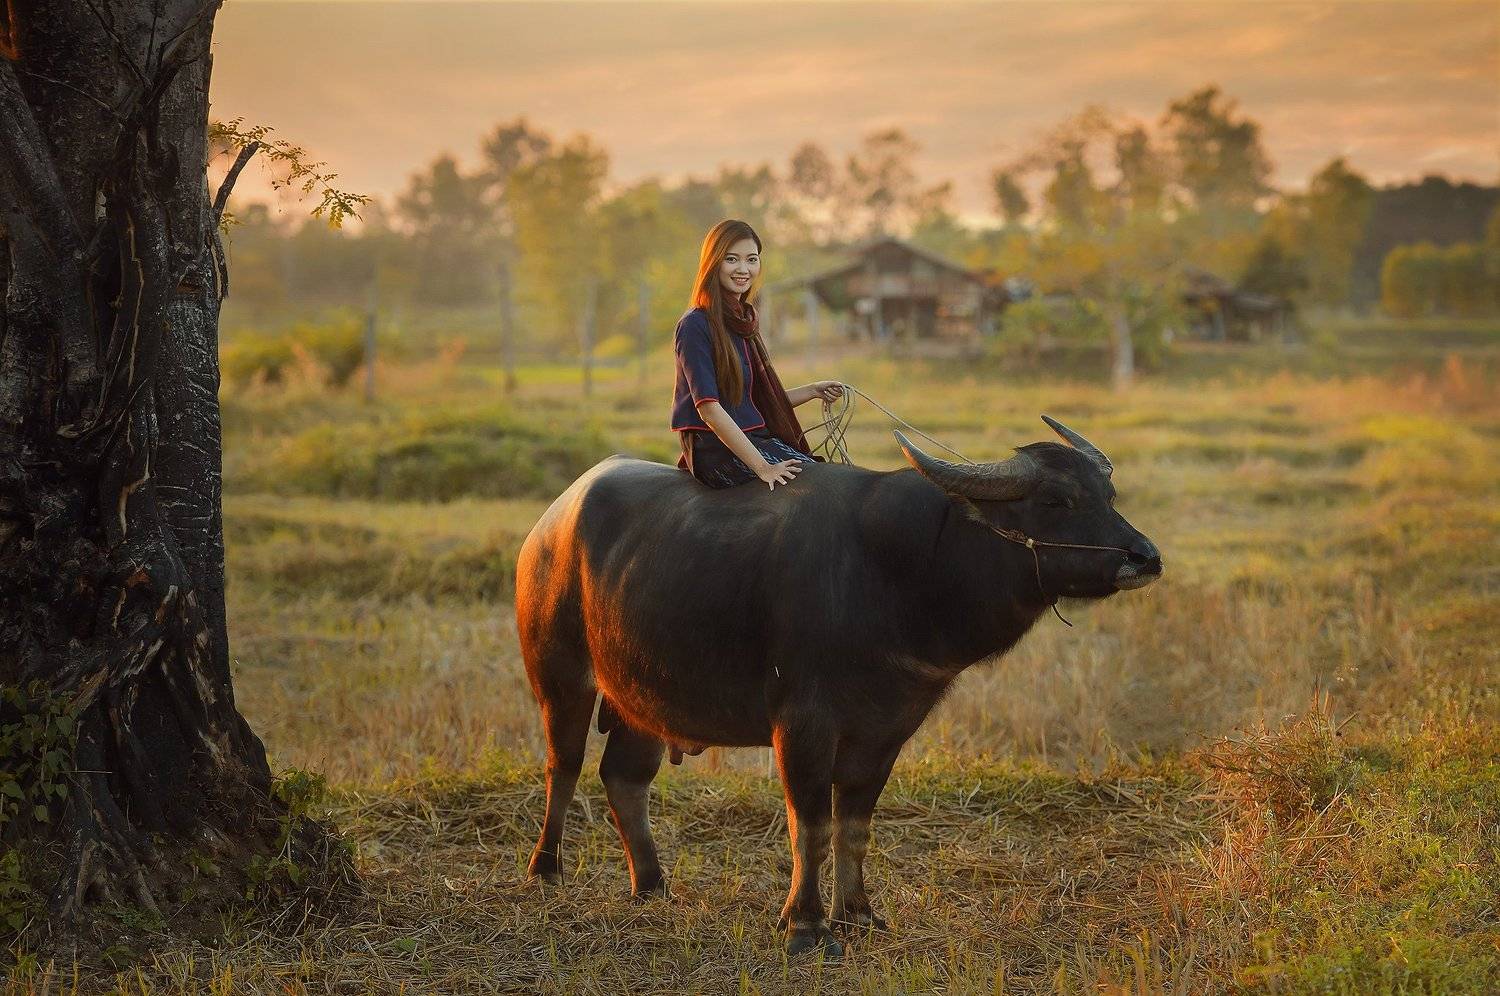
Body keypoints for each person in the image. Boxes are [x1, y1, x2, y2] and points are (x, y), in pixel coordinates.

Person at [670, 220, 844, 490]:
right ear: (713, 263)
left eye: (751, 260)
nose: (743, 269)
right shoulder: (695, 325)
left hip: (755, 438)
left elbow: (756, 405)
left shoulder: (743, 322)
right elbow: (709, 411)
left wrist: (813, 390)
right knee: (814, 486)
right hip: (715, 450)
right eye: (731, 259)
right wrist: (764, 467)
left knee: (827, 477)